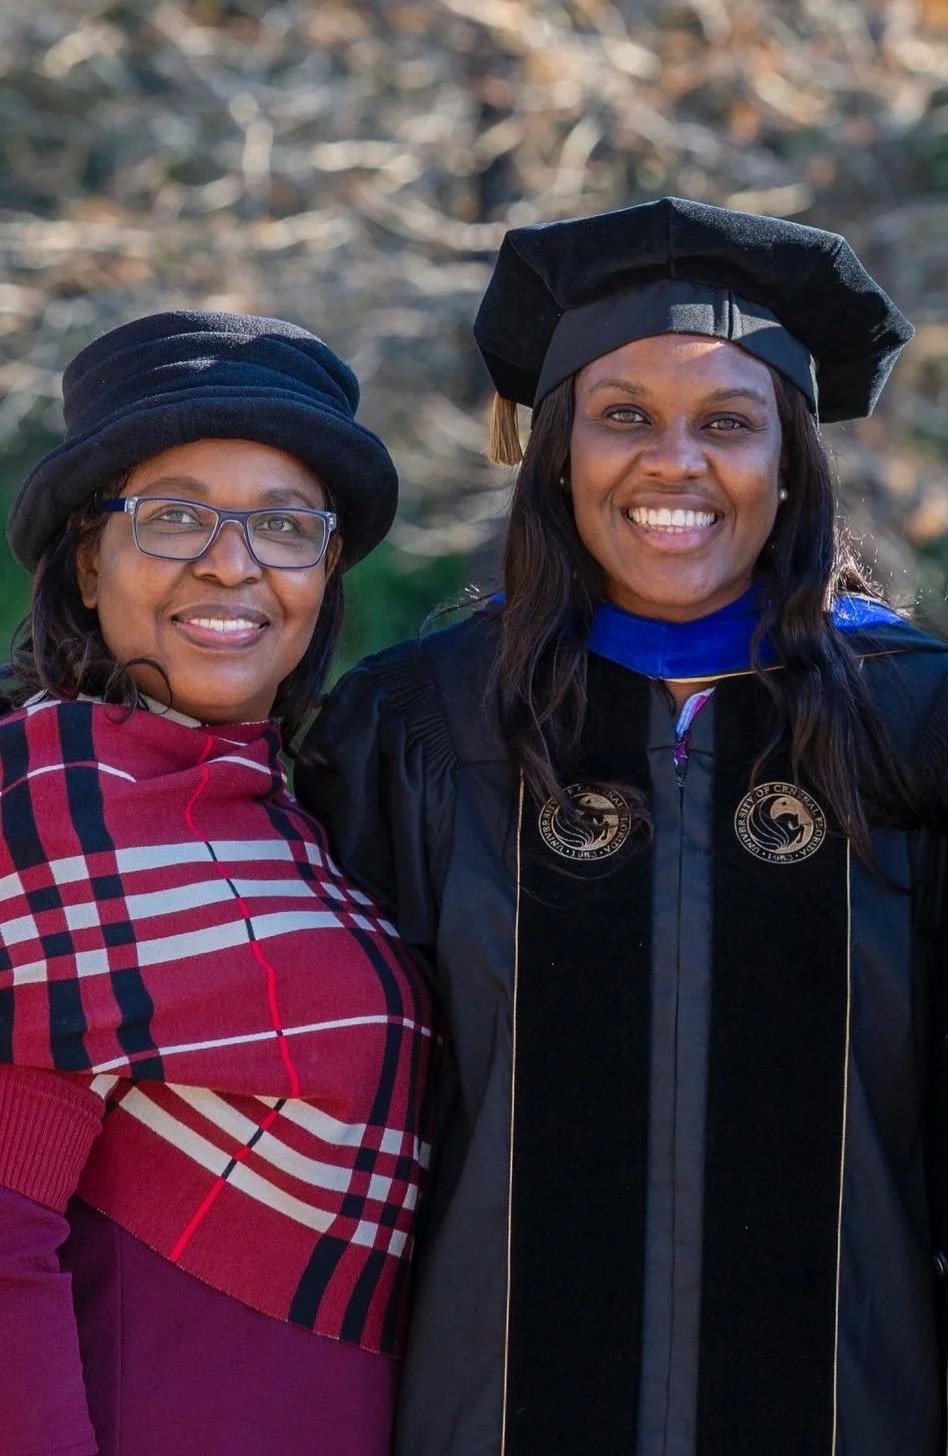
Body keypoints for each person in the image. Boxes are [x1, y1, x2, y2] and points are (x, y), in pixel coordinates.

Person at [297, 197, 948, 1456]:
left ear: (789, 459)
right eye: (623, 417)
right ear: (556, 454)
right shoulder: (419, 726)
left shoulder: (914, 719)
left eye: (728, 423)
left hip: (850, 1410)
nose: (675, 463)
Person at [0, 310, 434, 1456]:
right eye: (176, 516)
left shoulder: (288, 812)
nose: (233, 563)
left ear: (326, 567)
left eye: (284, 524)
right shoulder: (40, 806)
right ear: (88, 560)